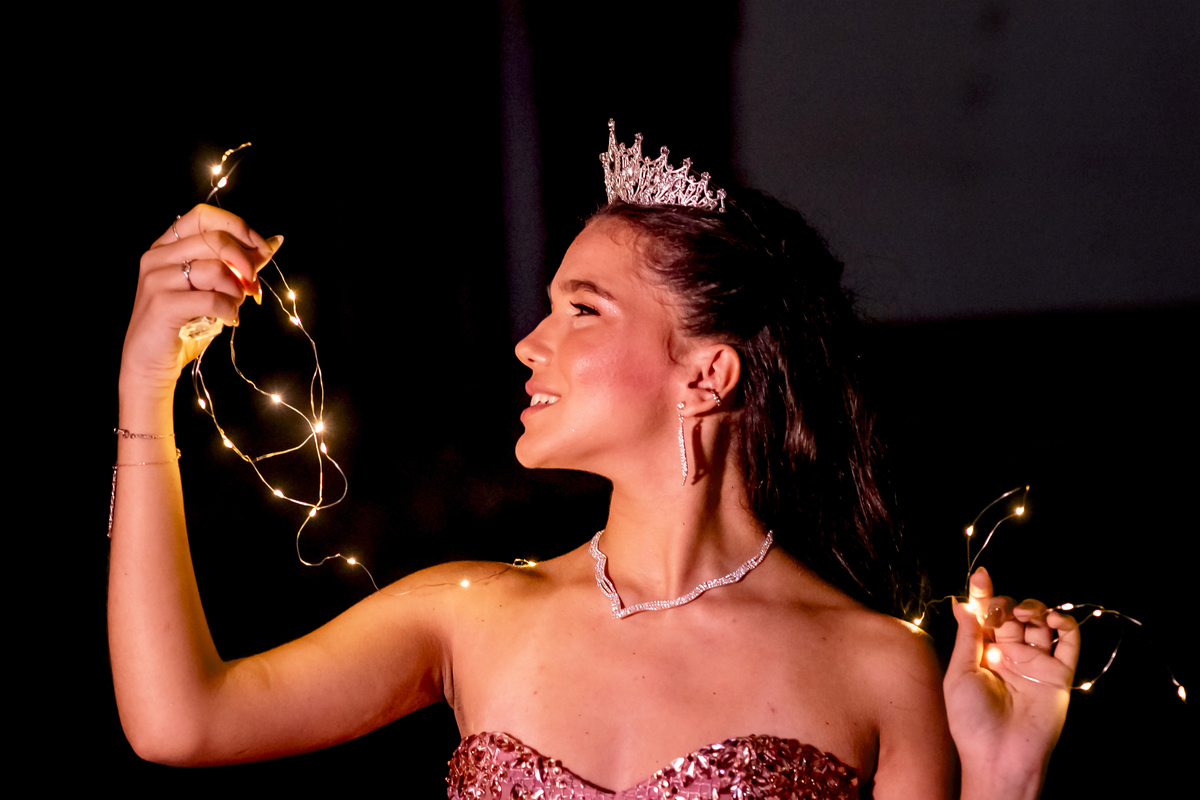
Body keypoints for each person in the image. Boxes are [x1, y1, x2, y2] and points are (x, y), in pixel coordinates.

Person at [110, 122, 1079, 799]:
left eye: (582, 308)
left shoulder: (878, 666)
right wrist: (143, 392)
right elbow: (179, 720)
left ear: (707, 372)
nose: (531, 342)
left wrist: (1002, 776)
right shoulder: (468, 613)